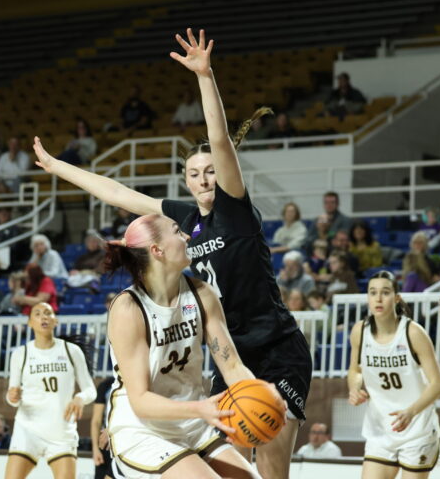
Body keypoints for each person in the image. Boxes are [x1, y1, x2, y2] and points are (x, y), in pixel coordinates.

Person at [33, 28, 308, 479]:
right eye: (193, 173)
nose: (203, 178)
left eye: (210, 171)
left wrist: (205, 75)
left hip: (274, 346)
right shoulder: (178, 222)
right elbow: (118, 194)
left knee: (271, 461)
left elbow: (219, 141)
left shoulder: (234, 211)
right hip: (225, 352)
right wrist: (60, 167)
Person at [103, 213, 276, 478]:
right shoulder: (129, 308)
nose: (186, 236)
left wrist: (264, 397)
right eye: (176, 231)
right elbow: (140, 401)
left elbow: (231, 364)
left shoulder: (202, 293)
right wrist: (201, 409)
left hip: (193, 426)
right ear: (156, 250)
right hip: (143, 430)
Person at [348, 271, 440, 477]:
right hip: (380, 429)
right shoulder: (359, 331)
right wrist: (354, 388)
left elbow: (438, 383)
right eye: (373, 292)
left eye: (385, 292)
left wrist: (411, 412)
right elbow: (356, 369)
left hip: (417, 429)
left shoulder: (413, 333)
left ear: (397, 297)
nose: (378, 298)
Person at [4, 302, 96, 479]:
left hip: (61, 430)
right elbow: (12, 395)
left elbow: (90, 389)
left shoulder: (71, 350)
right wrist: (12, 397)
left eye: (48, 313)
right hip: (28, 428)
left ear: (55, 321)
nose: (43, 317)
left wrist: (80, 397)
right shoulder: (20, 354)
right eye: (37, 314)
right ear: (30, 323)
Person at [90, 376, 115, 479]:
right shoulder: (106, 385)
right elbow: (96, 421)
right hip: (106, 443)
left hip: (126, 442)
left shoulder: (136, 382)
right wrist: (95, 449)